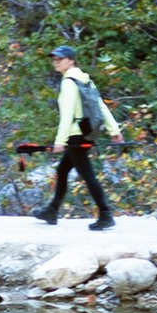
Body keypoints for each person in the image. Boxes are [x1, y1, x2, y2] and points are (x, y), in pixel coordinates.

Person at [41, 45, 120, 229]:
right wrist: (114, 129)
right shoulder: (85, 80)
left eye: (60, 59)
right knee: (62, 171)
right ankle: (51, 210)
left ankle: (106, 214)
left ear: (71, 60)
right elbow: (100, 106)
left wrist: (60, 141)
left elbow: (67, 114)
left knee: (88, 175)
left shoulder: (69, 82)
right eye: (55, 59)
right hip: (87, 133)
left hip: (75, 136)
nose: (56, 62)